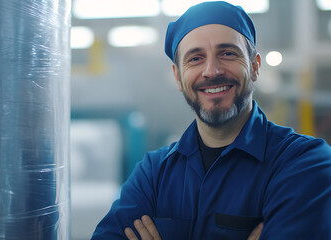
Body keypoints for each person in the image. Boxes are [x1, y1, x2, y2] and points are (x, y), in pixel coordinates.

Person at [91, 1, 331, 239]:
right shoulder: (154, 173)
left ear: (255, 67)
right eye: (195, 58)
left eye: (227, 53)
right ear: (177, 76)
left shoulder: (304, 163)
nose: (212, 71)